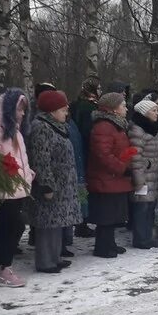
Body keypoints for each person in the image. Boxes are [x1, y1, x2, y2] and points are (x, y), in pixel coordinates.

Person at [0, 89, 36, 285]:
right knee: (11, 228)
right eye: (19, 109)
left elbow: (21, 158)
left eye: (24, 110)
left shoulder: (16, 132)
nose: (22, 114)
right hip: (6, 191)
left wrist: (28, 173)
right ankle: (3, 269)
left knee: (15, 227)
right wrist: (7, 174)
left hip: (19, 188)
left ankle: (4, 266)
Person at [27, 90, 80, 273]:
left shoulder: (58, 126)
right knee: (47, 224)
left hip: (63, 184)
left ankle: (55, 257)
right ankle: (45, 261)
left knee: (56, 223)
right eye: (63, 109)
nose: (66, 113)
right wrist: (46, 184)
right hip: (51, 184)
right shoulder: (42, 127)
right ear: (52, 110)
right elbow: (41, 159)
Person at [87, 92, 134, 258]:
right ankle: (102, 246)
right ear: (113, 109)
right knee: (106, 216)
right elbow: (103, 154)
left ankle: (110, 243)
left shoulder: (117, 125)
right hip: (106, 178)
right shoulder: (104, 127)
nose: (126, 108)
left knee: (113, 214)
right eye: (123, 105)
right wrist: (122, 167)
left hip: (115, 178)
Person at [70, 78, 102, 238]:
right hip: (84, 149)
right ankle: (81, 222)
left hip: (82, 148)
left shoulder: (79, 104)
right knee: (82, 186)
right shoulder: (87, 107)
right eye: (98, 88)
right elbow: (87, 130)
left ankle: (81, 221)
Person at [129, 98, 158, 249]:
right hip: (143, 175)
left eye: (157, 110)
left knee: (150, 207)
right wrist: (139, 179)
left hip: (153, 174)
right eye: (153, 110)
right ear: (144, 112)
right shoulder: (137, 130)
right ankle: (141, 238)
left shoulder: (152, 128)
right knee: (142, 208)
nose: (157, 113)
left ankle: (148, 236)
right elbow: (135, 157)